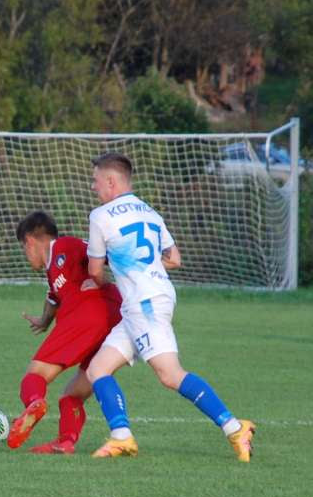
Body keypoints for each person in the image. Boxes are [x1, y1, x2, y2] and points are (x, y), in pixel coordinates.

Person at [84, 152, 255, 461]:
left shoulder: (101, 215)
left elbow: (95, 271)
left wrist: (101, 280)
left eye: (96, 181)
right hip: (148, 300)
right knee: (98, 370)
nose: (94, 187)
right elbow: (174, 259)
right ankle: (122, 437)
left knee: (170, 375)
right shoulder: (150, 212)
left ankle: (234, 427)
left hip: (144, 304)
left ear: (111, 181)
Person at [7, 211, 122, 454]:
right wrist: (44, 320)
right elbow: (53, 297)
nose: (26, 255)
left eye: (23, 248)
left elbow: (106, 255)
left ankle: (34, 402)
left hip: (88, 312)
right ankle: (66, 441)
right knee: (73, 393)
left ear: (29, 241)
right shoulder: (54, 271)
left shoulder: (66, 245)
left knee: (35, 375)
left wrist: (98, 277)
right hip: (112, 318)